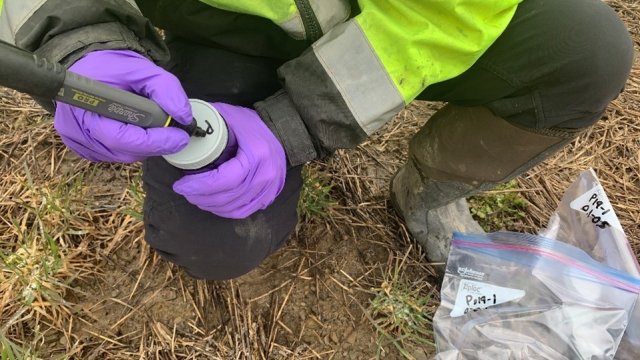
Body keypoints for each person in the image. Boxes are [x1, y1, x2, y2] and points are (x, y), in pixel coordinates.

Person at [0, 0, 633, 279]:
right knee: (219, 242)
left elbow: (450, 10)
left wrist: (296, 123)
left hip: (386, 14)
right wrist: (76, 39)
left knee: (585, 56)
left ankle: (429, 186)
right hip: (223, 29)